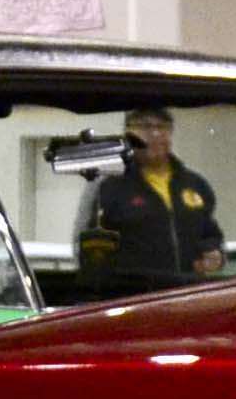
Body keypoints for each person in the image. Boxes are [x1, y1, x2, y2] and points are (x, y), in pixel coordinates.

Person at [75, 106, 225, 289]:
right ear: (128, 133)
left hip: (188, 296)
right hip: (133, 300)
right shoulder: (107, 185)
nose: (155, 134)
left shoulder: (194, 184)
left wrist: (214, 253)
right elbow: (85, 245)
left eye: (162, 127)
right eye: (145, 127)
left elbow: (210, 234)